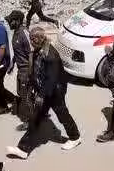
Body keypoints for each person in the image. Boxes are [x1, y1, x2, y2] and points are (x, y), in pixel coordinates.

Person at [6, 27, 81, 159]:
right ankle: (23, 149)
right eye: (30, 39)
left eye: (33, 39)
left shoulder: (51, 55)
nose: (31, 42)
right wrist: (33, 85)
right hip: (46, 91)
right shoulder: (39, 50)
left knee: (62, 114)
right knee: (36, 118)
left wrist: (41, 95)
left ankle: (75, 137)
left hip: (55, 91)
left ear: (40, 38)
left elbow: (51, 79)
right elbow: (37, 71)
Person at [5, 10, 33, 131]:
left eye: (10, 21)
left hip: (26, 70)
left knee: (25, 96)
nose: (8, 23)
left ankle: (29, 122)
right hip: (20, 69)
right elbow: (18, 51)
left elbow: (31, 54)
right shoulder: (16, 33)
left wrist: (30, 73)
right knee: (21, 92)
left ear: (17, 21)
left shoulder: (24, 33)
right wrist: (12, 63)